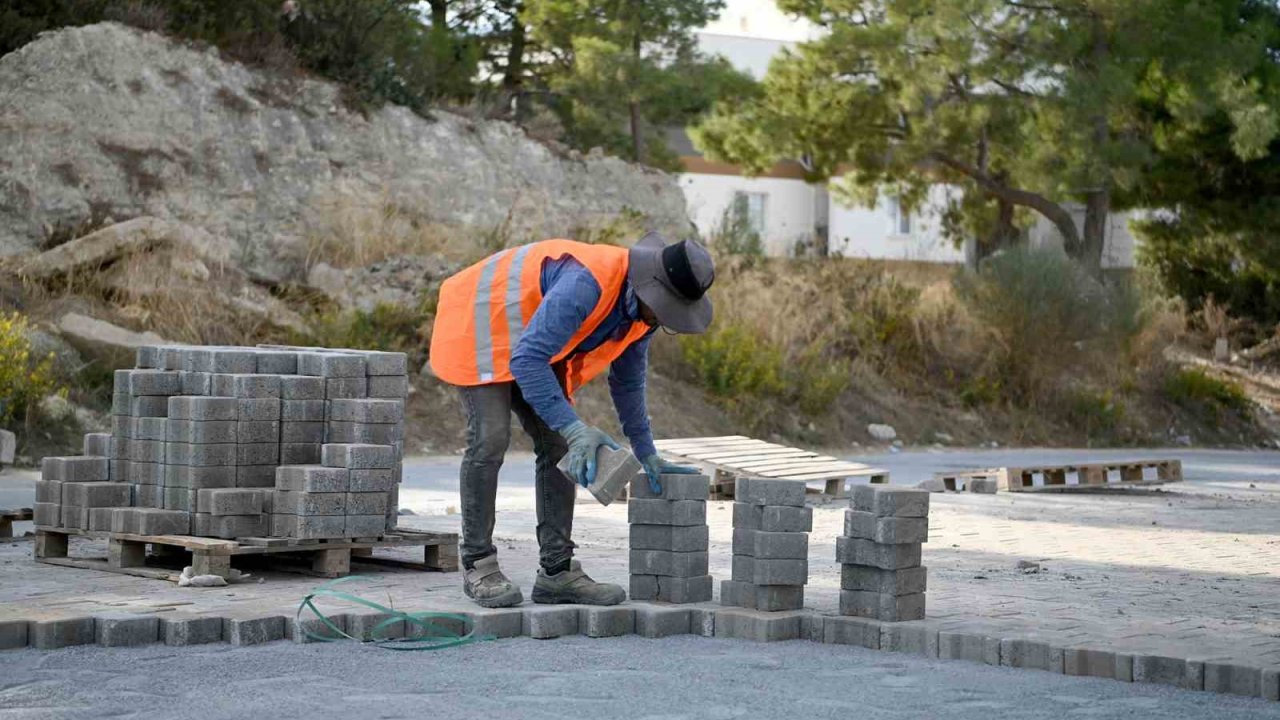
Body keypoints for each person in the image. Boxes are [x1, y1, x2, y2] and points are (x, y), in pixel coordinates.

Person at [429, 232, 715, 607]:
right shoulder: (587, 283)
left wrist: (647, 453)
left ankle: (556, 573)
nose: (664, 320)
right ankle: (478, 564)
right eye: (666, 310)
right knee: (491, 437)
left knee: (559, 446)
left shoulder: (643, 317)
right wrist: (577, 428)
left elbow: (628, 382)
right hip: (480, 321)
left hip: (534, 340)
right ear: (651, 288)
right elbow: (528, 359)